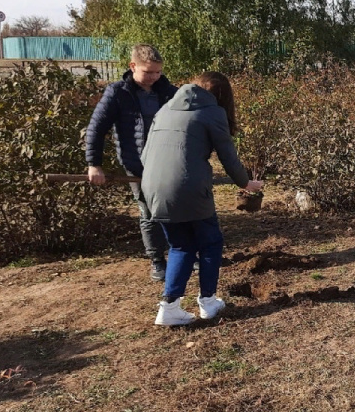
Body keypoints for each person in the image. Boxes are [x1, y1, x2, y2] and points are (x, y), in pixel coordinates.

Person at [140, 72, 262, 326]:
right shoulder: (212, 112)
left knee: (180, 245)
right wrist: (246, 183)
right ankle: (208, 301)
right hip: (188, 187)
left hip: (152, 186)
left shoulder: (165, 109)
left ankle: (169, 307)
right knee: (210, 242)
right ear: (221, 95)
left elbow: (146, 154)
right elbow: (228, 156)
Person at [86, 44, 178, 281]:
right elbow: (96, 129)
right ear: (133, 66)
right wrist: (94, 164)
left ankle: (183, 253)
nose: (154, 77)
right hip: (137, 165)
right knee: (148, 211)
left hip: (167, 162)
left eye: (157, 72)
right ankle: (157, 260)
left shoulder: (168, 92)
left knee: (176, 208)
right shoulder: (118, 93)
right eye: (148, 72)